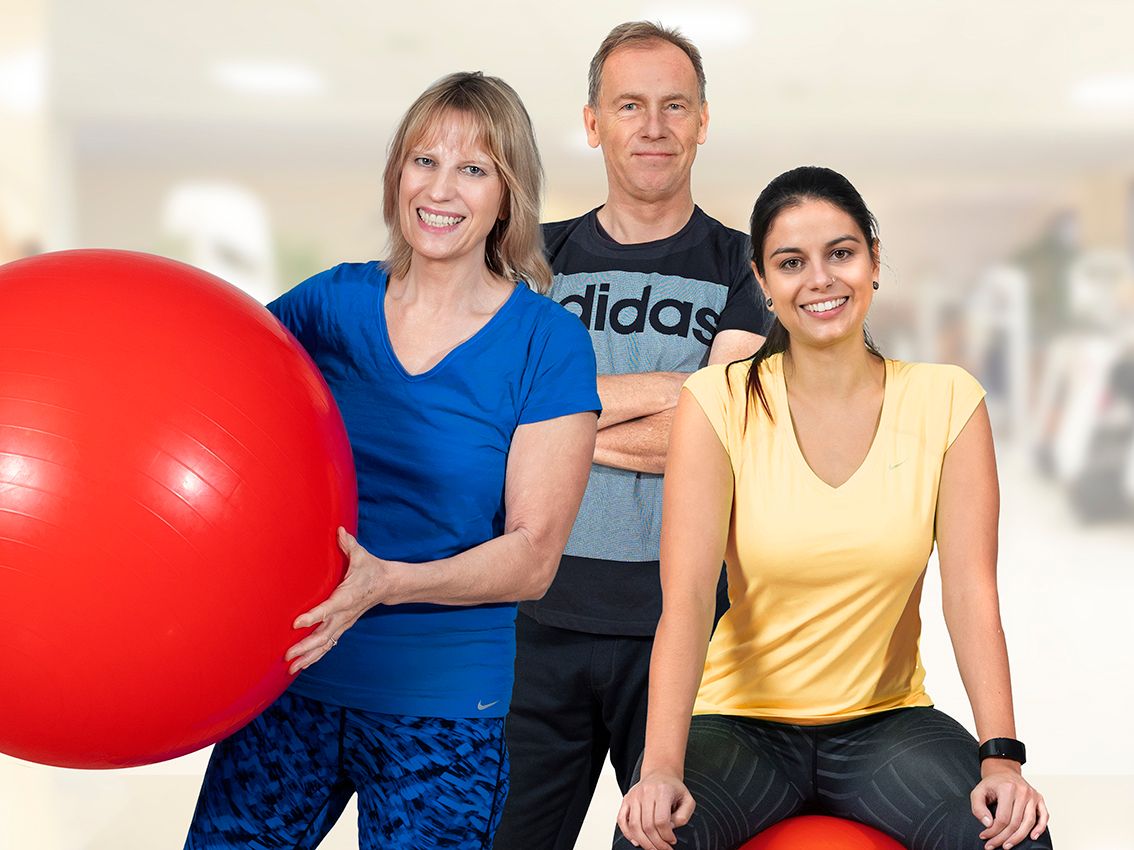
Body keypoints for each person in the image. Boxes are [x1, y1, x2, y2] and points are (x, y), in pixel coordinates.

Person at [183, 71, 600, 850]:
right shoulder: (327, 306)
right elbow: (217, 402)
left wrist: (388, 583)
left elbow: (533, 558)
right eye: (423, 161)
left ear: (506, 197)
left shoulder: (547, 344)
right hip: (292, 684)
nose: (441, 189)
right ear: (395, 175)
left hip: (440, 712)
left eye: (473, 170)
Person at [614, 166, 1053, 850]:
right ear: (761, 282)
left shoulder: (947, 401)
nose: (819, 279)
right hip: (738, 724)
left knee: (1014, 837)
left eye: (840, 253)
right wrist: (661, 766)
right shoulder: (717, 401)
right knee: (650, 838)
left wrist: (1002, 757)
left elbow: (970, 592)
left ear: (875, 260)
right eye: (792, 263)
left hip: (886, 725)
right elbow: (690, 598)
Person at [493, 22, 769, 850]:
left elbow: (725, 428)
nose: (654, 126)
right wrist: (677, 402)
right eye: (630, 105)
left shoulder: (748, 266)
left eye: (674, 106)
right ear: (592, 123)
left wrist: (552, 416)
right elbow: (488, 416)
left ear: (703, 121)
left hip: (685, 627)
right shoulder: (530, 260)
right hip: (530, 623)